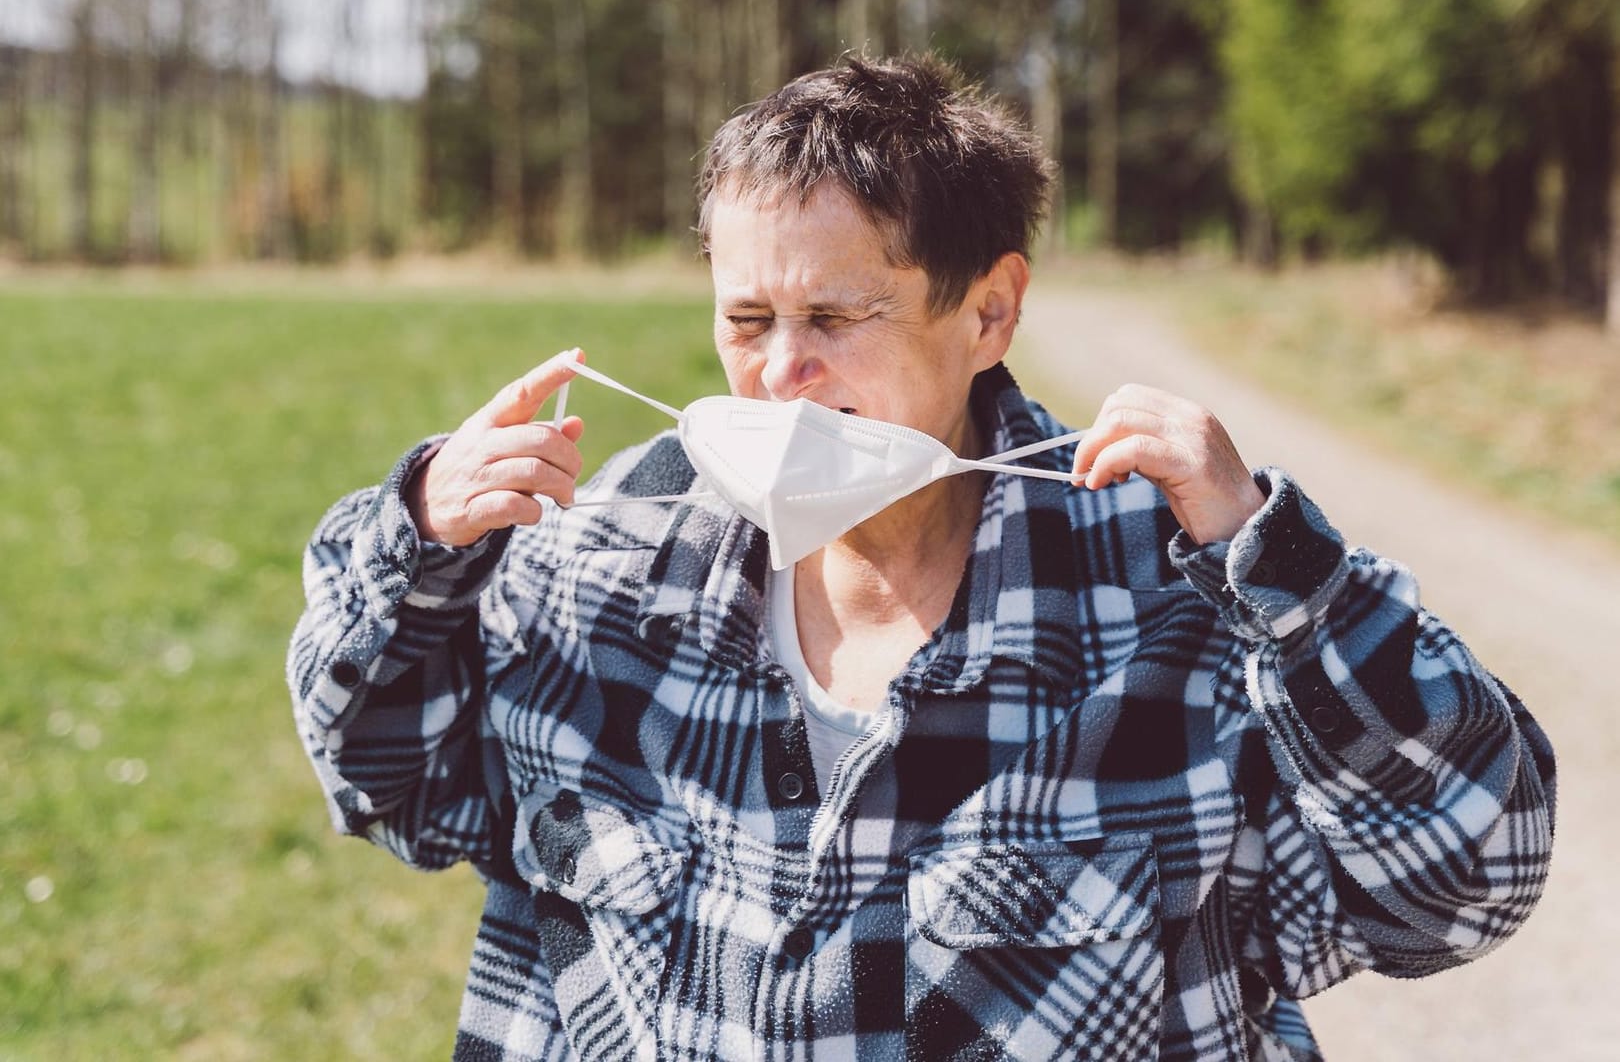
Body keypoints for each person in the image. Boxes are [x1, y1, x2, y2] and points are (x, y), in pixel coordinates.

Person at [288, 54, 1555, 1061]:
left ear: (990, 311)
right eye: (747, 318)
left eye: (838, 317)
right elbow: (396, 787)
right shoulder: (610, 555)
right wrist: (416, 549)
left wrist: (1286, 575)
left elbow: (1461, 888)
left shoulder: (1172, 595)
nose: (782, 374)